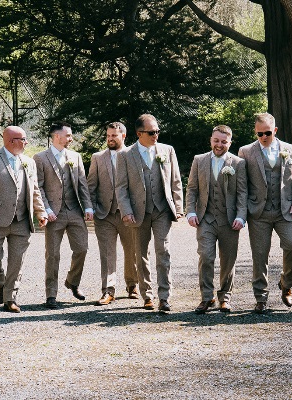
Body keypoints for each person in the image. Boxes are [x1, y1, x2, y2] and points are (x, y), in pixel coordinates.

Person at [0, 126, 48, 313]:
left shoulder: (29, 162)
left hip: (22, 220)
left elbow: (35, 190)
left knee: (17, 261)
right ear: (10, 141)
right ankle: (1, 282)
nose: (26, 142)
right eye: (23, 139)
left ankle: (10, 298)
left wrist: (41, 212)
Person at [237, 113, 292, 313]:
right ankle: (261, 297)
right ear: (255, 132)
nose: (264, 137)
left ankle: (286, 284)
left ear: (275, 130)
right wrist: (243, 211)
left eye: (267, 133)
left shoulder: (291, 150)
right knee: (259, 255)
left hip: (285, 210)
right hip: (258, 212)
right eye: (259, 134)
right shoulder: (246, 151)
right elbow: (241, 184)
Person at [115, 114, 183, 312]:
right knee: (141, 254)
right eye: (152, 132)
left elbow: (176, 181)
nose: (156, 135)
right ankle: (147, 295)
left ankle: (164, 296)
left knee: (164, 251)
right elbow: (121, 187)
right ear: (139, 133)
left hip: (162, 209)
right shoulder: (125, 155)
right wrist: (126, 211)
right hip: (138, 212)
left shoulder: (167, 150)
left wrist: (178, 207)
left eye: (157, 131)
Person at [185, 125, 247, 314]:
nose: (219, 145)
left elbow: (242, 192)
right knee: (206, 256)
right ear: (211, 140)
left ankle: (225, 298)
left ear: (230, 142)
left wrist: (241, 216)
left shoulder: (238, 163)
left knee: (228, 260)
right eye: (216, 140)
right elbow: (192, 188)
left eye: (223, 142)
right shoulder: (199, 160)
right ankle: (206, 297)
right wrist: (190, 212)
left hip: (229, 220)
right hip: (206, 218)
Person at [34, 122, 94, 309]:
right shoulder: (40, 158)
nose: (71, 138)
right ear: (57, 136)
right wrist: (46, 210)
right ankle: (51, 294)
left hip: (74, 210)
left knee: (82, 249)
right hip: (54, 213)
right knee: (52, 254)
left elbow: (82, 184)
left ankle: (72, 282)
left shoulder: (75, 157)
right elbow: (38, 187)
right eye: (68, 135)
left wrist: (88, 207)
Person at [87, 122, 139, 305]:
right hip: (104, 214)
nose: (110, 139)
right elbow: (91, 186)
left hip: (129, 214)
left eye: (114, 136)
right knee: (107, 254)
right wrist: (91, 207)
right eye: (108, 136)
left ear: (123, 136)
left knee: (132, 251)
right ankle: (108, 290)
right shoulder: (98, 158)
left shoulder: (133, 155)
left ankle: (132, 284)